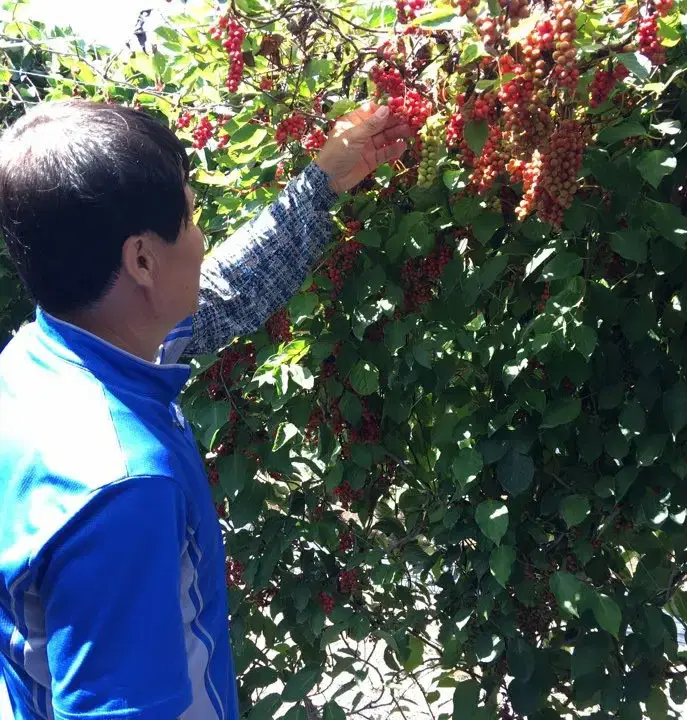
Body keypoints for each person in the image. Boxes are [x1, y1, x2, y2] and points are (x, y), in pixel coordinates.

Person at [0, 99, 410, 720]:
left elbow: (221, 294)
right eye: (192, 219)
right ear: (141, 260)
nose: (200, 238)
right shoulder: (121, 488)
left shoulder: (40, 361)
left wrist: (322, 182)